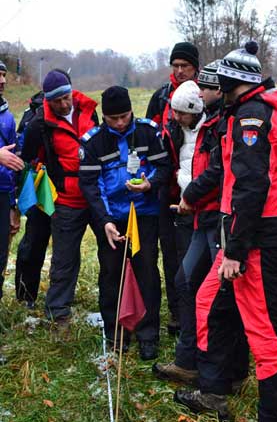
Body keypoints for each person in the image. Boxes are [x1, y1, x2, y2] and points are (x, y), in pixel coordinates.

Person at [174, 41, 277, 422]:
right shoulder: (247, 112)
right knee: (209, 302)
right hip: (247, 235)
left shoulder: (252, 117)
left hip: (257, 240)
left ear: (232, 83)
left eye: (218, 82)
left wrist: (235, 251)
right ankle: (214, 390)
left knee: (267, 332)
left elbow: (251, 187)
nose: (210, 87)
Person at [79, 86, 171, 360]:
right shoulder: (92, 142)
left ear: (132, 111)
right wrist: (105, 221)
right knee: (111, 273)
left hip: (143, 213)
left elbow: (164, 167)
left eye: (124, 116)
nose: (120, 123)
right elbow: (91, 186)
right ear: (104, 117)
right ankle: (116, 333)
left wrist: (150, 183)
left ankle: (148, 334)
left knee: (146, 271)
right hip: (110, 218)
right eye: (113, 118)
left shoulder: (148, 132)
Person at [153, 65, 222, 384]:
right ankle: (187, 359)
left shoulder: (215, 131)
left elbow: (216, 173)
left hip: (213, 217)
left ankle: (214, 365)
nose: (176, 118)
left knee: (214, 292)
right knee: (185, 282)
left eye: (182, 113)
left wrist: (191, 194)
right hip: (195, 215)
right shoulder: (181, 131)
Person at [21, 69, 98, 331]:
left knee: (112, 253)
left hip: (97, 196)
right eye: (57, 101)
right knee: (64, 258)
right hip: (66, 199)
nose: (64, 104)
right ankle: (58, 313)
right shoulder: (38, 125)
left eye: (67, 97)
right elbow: (29, 161)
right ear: (48, 100)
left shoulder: (89, 110)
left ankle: (115, 305)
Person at [146, 42, 199, 335]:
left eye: (185, 66)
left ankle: (195, 312)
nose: (179, 71)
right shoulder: (161, 97)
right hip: (166, 191)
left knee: (194, 254)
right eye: (175, 66)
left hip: (198, 193)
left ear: (195, 68)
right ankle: (177, 313)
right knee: (170, 253)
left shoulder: (205, 94)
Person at [15, 90, 50, 308]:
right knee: (35, 241)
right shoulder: (33, 118)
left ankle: (54, 296)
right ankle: (26, 294)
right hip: (39, 187)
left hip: (67, 190)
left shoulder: (81, 114)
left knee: (64, 247)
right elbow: (23, 153)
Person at [0, 59, 24, 365]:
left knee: (1, 259)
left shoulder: (7, 116)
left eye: (3, 74)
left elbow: (14, 166)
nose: (2, 80)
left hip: (2, 196)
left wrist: (15, 206)